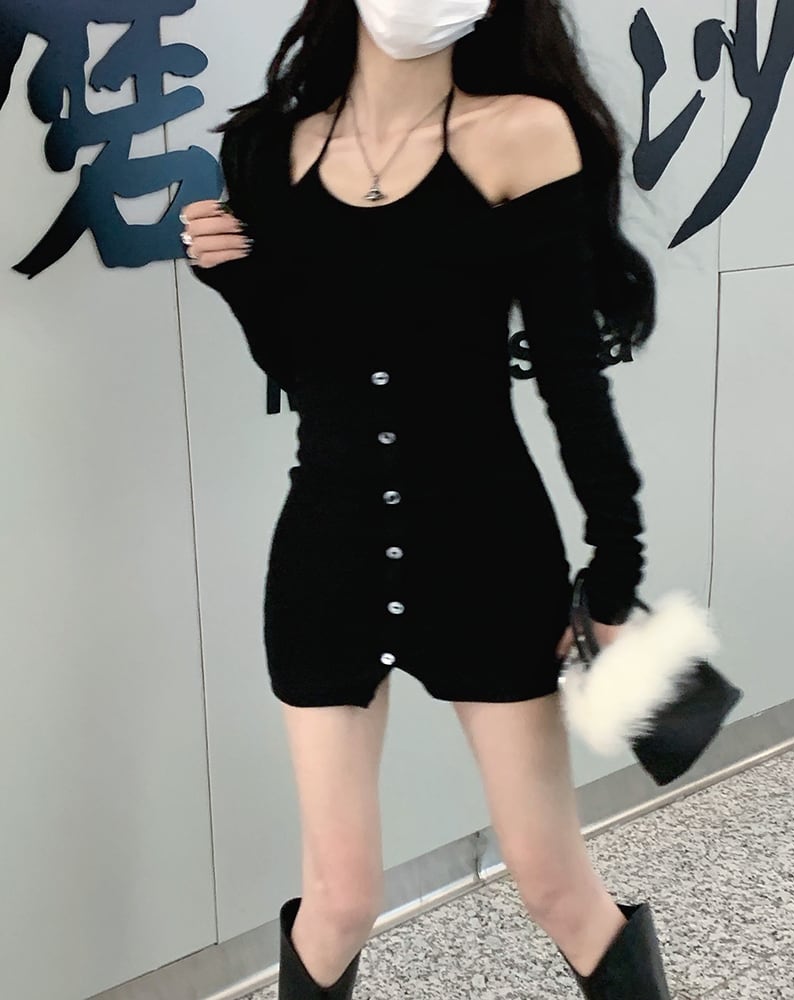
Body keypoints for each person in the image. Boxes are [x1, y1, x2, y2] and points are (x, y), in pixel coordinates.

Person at [180, 1, 669, 998]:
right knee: (340, 897)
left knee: (553, 882)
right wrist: (239, 282)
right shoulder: (268, 146)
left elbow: (571, 382)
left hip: (487, 546)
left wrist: (614, 572)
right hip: (328, 550)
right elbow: (303, 367)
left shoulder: (522, 131)